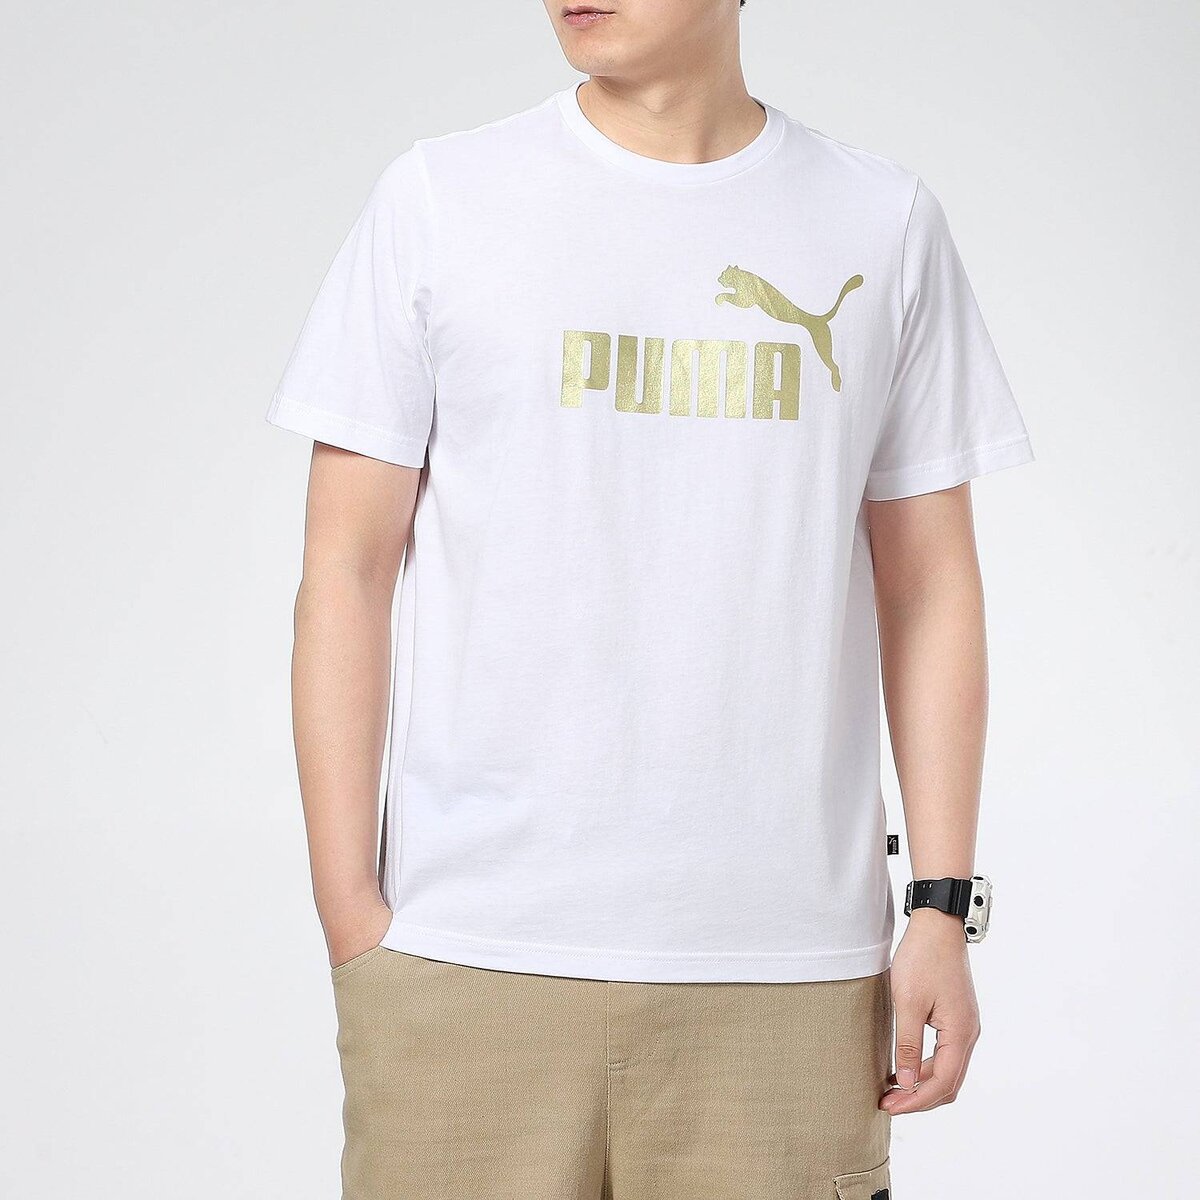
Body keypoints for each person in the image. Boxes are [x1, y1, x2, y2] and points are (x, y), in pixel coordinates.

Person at [266, 2, 1033, 1195]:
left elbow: (930, 583)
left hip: (787, 978)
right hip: (466, 961)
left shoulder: (880, 222)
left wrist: (939, 905)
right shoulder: (440, 202)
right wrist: (350, 916)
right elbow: (346, 572)